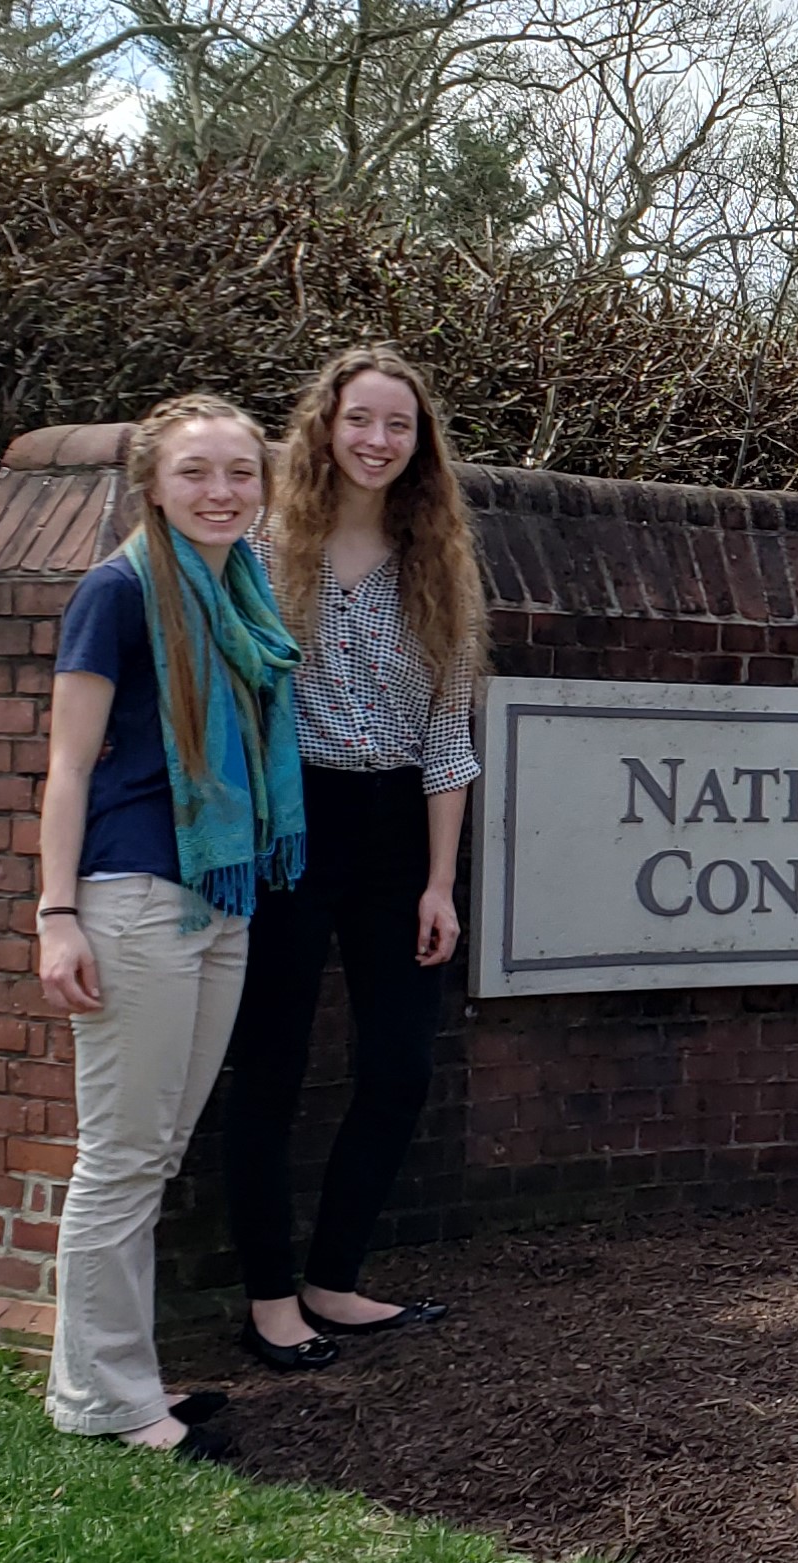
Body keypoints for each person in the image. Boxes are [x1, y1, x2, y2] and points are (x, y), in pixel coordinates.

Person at [37, 394, 306, 1454]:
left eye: (240, 473)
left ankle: (119, 1381)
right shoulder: (117, 593)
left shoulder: (242, 594)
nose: (221, 492)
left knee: (156, 1150)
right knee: (121, 1153)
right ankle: (108, 1401)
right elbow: (66, 766)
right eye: (197, 473)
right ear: (153, 482)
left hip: (219, 893)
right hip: (133, 895)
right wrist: (57, 913)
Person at [220, 346, 485, 1371]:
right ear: (324, 427)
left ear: (421, 446)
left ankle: (335, 1277)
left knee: (399, 1066)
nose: (377, 440)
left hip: (395, 832)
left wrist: (438, 883)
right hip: (291, 822)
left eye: (399, 426)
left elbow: (450, 736)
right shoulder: (262, 547)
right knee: (272, 1067)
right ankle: (268, 1299)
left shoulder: (441, 565)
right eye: (360, 420)